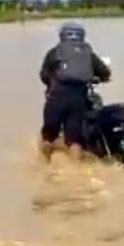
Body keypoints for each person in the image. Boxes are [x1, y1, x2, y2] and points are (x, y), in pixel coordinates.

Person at [38, 21, 111, 159]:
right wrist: (103, 77)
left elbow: (44, 75)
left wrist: (51, 83)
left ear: (62, 36)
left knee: (48, 135)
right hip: (79, 99)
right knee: (74, 139)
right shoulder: (88, 52)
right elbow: (104, 72)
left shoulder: (55, 52)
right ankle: (76, 171)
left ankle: (44, 166)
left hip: (57, 97)